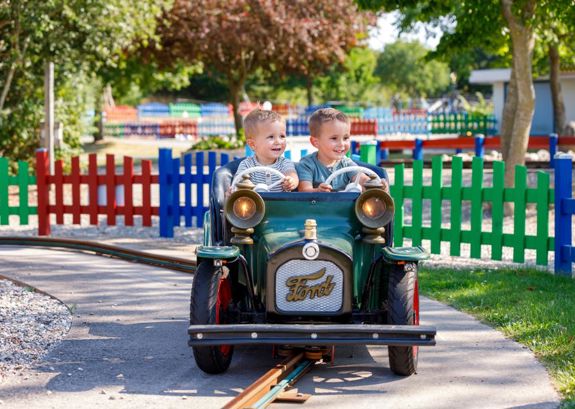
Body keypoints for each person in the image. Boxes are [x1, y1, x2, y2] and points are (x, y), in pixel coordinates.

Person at [297, 108, 388, 192]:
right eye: (334, 138)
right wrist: (317, 191)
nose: (341, 144)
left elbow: (361, 179)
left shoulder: (346, 163)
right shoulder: (307, 164)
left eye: (345, 138)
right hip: (317, 208)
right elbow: (304, 190)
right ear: (315, 142)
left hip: (345, 208)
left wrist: (376, 185)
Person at [232, 108, 299, 192]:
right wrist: (233, 191)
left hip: (281, 204)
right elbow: (237, 184)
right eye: (271, 137)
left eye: (282, 136)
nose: (278, 141)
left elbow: (291, 174)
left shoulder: (285, 163)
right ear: (252, 144)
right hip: (255, 204)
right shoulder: (247, 165)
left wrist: (291, 181)